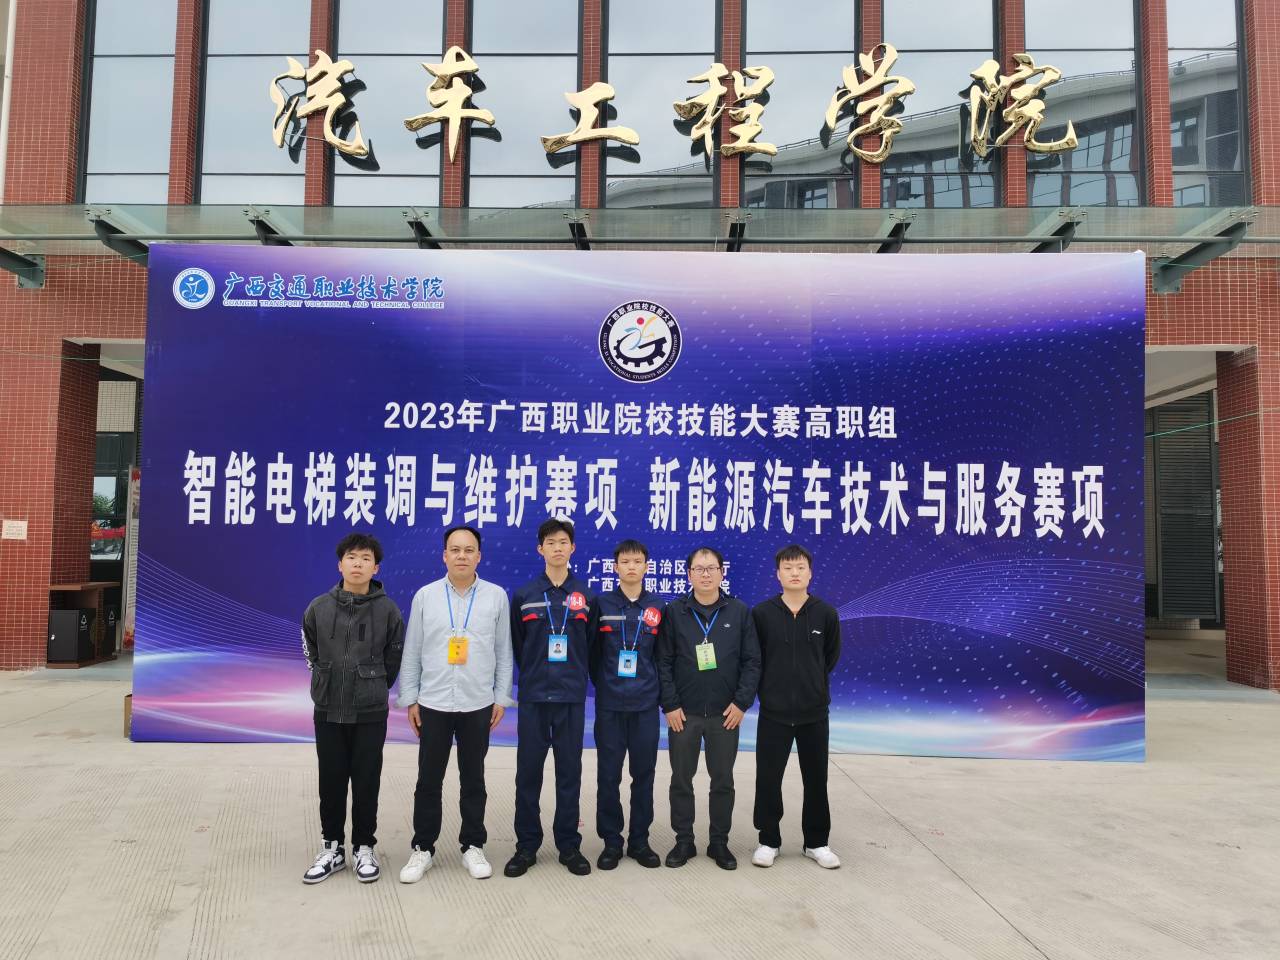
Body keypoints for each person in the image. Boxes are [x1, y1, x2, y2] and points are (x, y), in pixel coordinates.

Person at [397, 525, 513, 883]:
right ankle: (423, 848)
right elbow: (413, 650)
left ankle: (473, 845)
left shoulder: (496, 596)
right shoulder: (425, 596)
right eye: (455, 549)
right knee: (428, 780)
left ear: (479, 556)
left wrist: (501, 696)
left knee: (473, 779)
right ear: (444, 555)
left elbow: (504, 651)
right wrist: (410, 698)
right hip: (433, 702)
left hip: (478, 702)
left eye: (469, 550)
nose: (462, 556)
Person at [301, 532, 404, 884]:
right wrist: (326, 680)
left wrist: (371, 685)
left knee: (366, 781)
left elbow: (393, 659)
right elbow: (311, 652)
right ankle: (331, 848)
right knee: (330, 780)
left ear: (376, 568)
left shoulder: (388, 611)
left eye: (365, 558)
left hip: (369, 711)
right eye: (351, 557)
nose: (357, 564)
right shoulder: (318, 608)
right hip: (328, 708)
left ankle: (363, 846)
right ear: (340, 564)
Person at [657, 546, 760, 870]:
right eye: (699, 569)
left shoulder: (739, 612)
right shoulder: (675, 612)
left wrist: (741, 703)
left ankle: (719, 843)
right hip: (683, 715)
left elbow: (752, 662)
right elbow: (663, 661)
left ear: (721, 573)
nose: (705, 574)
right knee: (681, 780)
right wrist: (670, 704)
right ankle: (683, 841)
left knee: (723, 780)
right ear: (689, 574)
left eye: (711, 568)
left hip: (724, 715)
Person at [504, 518, 594, 877]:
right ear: (540, 549)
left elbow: (592, 647)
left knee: (569, 774)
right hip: (534, 698)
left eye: (563, 542)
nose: (558, 548)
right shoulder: (525, 595)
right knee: (528, 774)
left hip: (571, 699)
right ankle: (526, 846)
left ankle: (569, 846)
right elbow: (518, 646)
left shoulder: (586, 596)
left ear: (573, 548)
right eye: (551, 542)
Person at [749, 544, 843, 870]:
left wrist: (810, 684)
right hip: (773, 713)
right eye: (788, 568)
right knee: (768, 779)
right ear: (778, 574)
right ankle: (768, 840)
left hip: (813, 713)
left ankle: (816, 842)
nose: (794, 573)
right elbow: (756, 659)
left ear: (810, 573)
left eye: (800, 567)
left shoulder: (826, 613)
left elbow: (829, 657)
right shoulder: (762, 614)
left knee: (816, 779)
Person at [587, 539, 665, 870]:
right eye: (625, 562)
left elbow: (663, 656)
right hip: (610, 706)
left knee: (643, 775)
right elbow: (592, 653)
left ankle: (639, 841)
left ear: (646, 567)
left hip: (645, 706)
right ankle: (611, 842)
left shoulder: (658, 606)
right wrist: (606, 684)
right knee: (608, 775)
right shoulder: (601, 604)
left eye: (637, 561)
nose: (631, 567)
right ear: (615, 567)